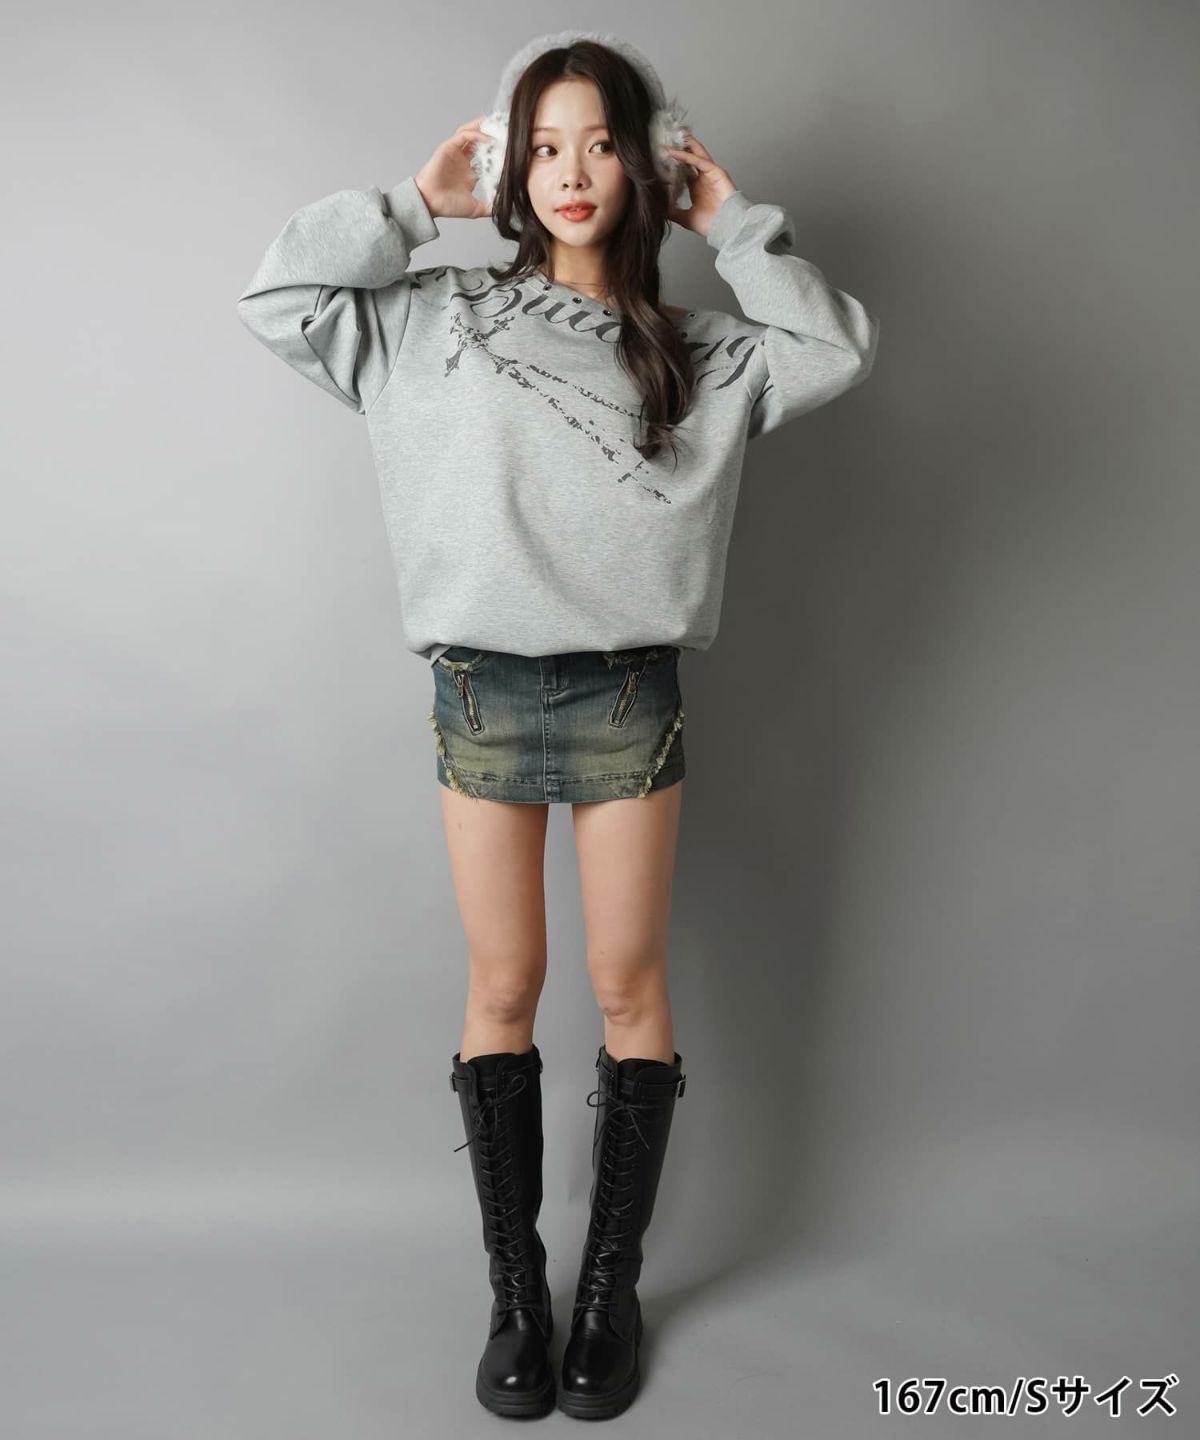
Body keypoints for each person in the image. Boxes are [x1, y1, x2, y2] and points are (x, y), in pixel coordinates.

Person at [237, 28, 878, 1423]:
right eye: (541, 145)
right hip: (481, 687)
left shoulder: (698, 352)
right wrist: (412, 205)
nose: (571, 171)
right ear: (506, 167)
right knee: (504, 987)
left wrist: (731, 218)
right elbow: (278, 296)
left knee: (631, 987)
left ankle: (608, 1294)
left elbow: (834, 347)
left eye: (600, 143)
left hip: (627, 692)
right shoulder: (427, 319)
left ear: (645, 164)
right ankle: (517, 1294)